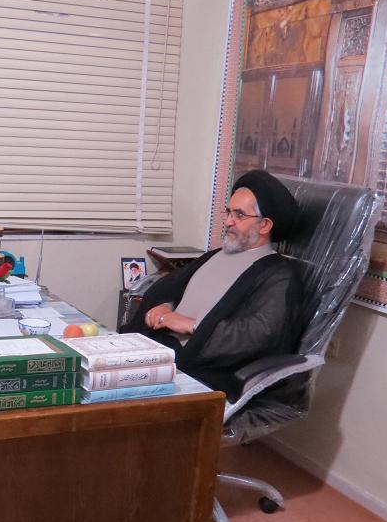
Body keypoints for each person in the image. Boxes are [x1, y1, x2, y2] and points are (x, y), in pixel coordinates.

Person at [121, 170, 304, 400]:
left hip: (196, 368)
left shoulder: (279, 274)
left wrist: (192, 325)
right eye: (228, 212)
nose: (228, 221)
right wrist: (165, 305)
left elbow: (260, 334)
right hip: (159, 348)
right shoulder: (215, 255)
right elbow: (171, 287)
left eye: (239, 215)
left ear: (265, 225)